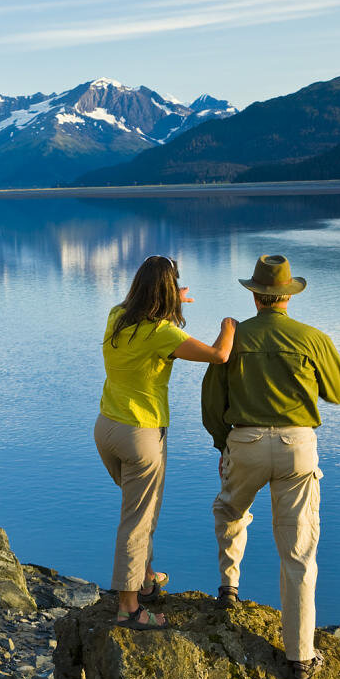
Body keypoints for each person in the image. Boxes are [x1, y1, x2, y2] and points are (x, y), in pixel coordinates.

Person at [201, 254, 340, 679]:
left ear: (255, 295)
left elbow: (213, 402)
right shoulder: (311, 337)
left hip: (244, 443)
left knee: (230, 512)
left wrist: (220, 445)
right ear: (287, 296)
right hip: (296, 448)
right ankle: (300, 658)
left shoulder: (235, 338)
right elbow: (337, 391)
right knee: (299, 551)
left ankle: (229, 588)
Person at [97, 254, 236, 630]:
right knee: (137, 520)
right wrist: (229, 326)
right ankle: (130, 608)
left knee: (141, 507)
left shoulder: (116, 316)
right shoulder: (162, 334)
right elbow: (218, 355)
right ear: (166, 291)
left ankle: (144, 577)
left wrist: (173, 298)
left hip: (106, 428)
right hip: (140, 434)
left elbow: (144, 304)